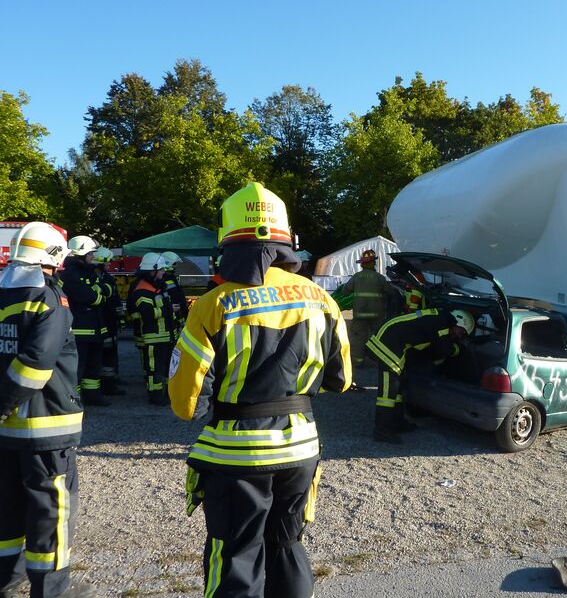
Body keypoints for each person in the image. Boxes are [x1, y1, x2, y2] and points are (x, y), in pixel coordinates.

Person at [168, 181, 351, 598]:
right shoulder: (321, 299)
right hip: (301, 448)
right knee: (287, 546)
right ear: (287, 241)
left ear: (229, 240)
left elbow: (186, 403)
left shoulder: (214, 304)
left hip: (237, 457)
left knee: (235, 555)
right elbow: (341, 380)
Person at [0, 223, 95, 598]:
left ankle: (5, 580)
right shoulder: (49, 299)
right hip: (45, 427)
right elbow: (36, 364)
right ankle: (52, 590)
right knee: (50, 510)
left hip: (6, 431)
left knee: (7, 507)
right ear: (53, 257)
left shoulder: (3, 294)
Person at [366, 308, 475, 444]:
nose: (459, 336)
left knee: (397, 389)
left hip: (393, 340)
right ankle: (382, 430)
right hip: (388, 342)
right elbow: (444, 349)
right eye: (461, 332)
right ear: (458, 322)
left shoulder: (440, 319)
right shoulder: (441, 324)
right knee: (388, 393)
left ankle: (397, 422)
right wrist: (459, 350)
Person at [59, 236, 112, 406]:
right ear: (81, 254)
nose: (93, 257)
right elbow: (90, 297)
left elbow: (104, 291)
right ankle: (73, 402)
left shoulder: (87, 271)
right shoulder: (70, 274)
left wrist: (98, 294)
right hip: (79, 330)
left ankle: (93, 396)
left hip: (94, 328)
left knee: (93, 367)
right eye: (90, 254)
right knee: (77, 368)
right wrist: (97, 296)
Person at [338, 249, 394, 382]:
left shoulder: (356, 277)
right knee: (378, 337)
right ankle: (380, 360)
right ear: (373, 263)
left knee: (359, 337)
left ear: (362, 264)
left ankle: (358, 361)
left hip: (360, 313)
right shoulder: (380, 278)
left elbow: (345, 291)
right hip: (377, 313)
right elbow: (390, 292)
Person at [126, 253, 173, 406]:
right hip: (154, 336)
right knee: (154, 369)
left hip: (165, 335)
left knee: (167, 367)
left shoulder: (157, 286)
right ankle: (155, 396)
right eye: (161, 269)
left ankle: (168, 394)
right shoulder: (143, 290)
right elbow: (147, 314)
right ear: (153, 270)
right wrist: (168, 310)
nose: (164, 272)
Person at [92, 247, 125, 396]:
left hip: (110, 322)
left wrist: (120, 317)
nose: (109, 264)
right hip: (100, 321)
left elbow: (116, 299)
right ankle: (103, 384)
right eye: (107, 262)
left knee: (111, 353)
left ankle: (111, 381)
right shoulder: (91, 279)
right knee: (101, 354)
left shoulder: (108, 278)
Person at [160, 251, 188, 341]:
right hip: (172, 318)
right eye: (174, 264)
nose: (175, 266)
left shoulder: (171, 278)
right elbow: (173, 299)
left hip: (177, 318)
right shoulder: (163, 280)